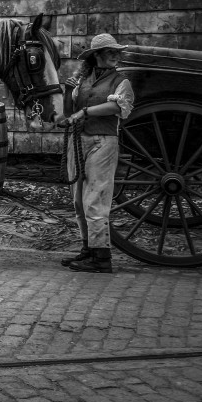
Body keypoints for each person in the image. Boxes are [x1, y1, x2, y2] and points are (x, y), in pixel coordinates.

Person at [58, 34, 135, 273]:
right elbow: (69, 112)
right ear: (96, 56)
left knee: (96, 198)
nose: (115, 55)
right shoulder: (82, 80)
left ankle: (102, 257)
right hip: (77, 141)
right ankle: (88, 250)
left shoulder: (121, 81)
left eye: (116, 51)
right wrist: (67, 91)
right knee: (78, 199)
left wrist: (86, 112)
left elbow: (117, 107)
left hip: (103, 141)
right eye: (110, 51)